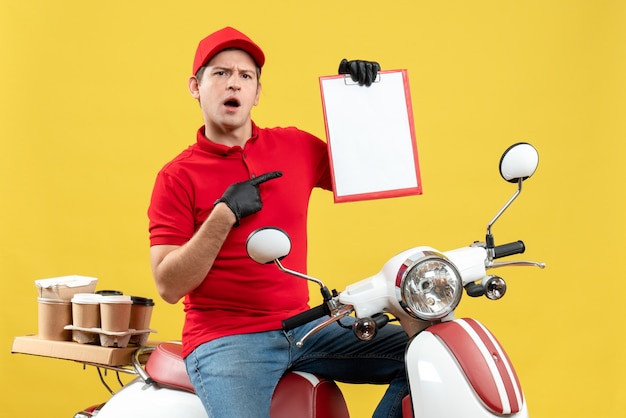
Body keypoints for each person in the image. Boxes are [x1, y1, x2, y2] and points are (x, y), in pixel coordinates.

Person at [148, 26, 409, 418]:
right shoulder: (177, 176)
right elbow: (168, 285)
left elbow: (372, 170)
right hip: (227, 340)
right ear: (195, 86)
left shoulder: (295, 147)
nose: (233, 83)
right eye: (220, 73)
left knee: (427, 354)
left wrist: (358, 100)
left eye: (245, 76)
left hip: (305, 327)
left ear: (256, 92)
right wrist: (224, 214)